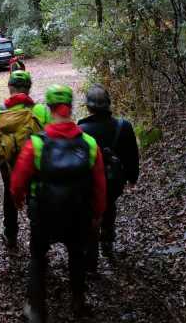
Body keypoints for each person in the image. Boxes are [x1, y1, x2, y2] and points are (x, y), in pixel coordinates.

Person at [11, 85, 106, 322]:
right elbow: (100, 185)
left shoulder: (37, 144)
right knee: (76, 255)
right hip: (78, 213)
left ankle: (36, 308)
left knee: (38, 256)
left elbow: (17, 182)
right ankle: (78, 301)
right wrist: (97, 213)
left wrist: (19, 200)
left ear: (49, 108)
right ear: (71, 107)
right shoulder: (90, 144)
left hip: (44, 213)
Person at [0, 70, 51, 249]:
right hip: (36, 168)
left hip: (9, 168)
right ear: (29, 88)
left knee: (9, 195)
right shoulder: (42, 111)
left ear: (9, 87)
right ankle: (38, 237)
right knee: (36, 197)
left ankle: (10, 235)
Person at [78, 84, 140, 269]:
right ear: (108, 104)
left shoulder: (81, 129)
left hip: (90, 183)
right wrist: (132, 177)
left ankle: (92, 254)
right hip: (114, 182)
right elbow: (132, 155)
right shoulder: (124, 126)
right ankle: (107, 241)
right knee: (109, 206)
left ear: (88, 107)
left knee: (90, 213)